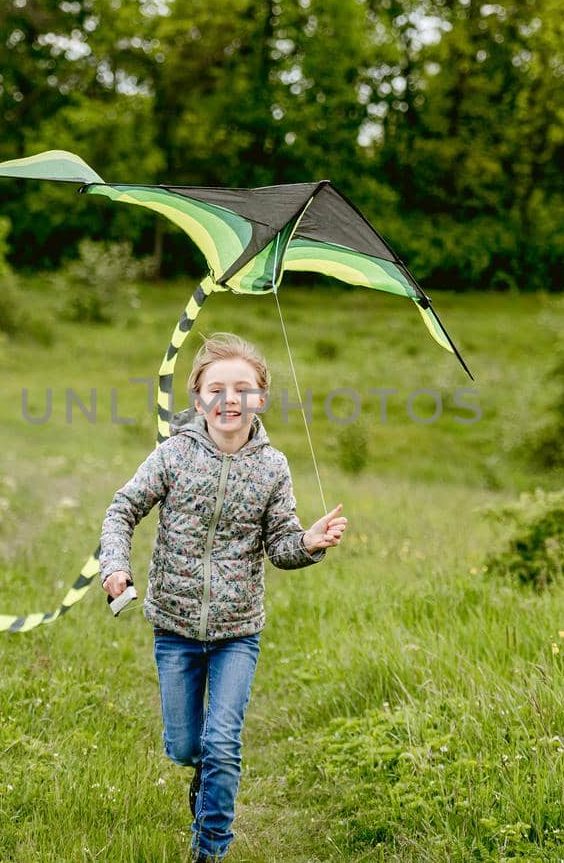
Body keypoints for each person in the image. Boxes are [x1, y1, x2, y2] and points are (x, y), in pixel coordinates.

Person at [100, 332, 347, 862]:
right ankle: (200, 780)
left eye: (243, 389)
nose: (229, 399)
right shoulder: (173, 456)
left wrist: (308, 541)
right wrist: (115, 568)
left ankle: (209, 849)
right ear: (198, 400)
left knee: (222, 744)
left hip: (238, 631)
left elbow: (280, 545)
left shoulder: (272, 467)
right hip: (175, 626)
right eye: (217, 389)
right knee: (187, 747)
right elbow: (122, 510)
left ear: (260, 398)